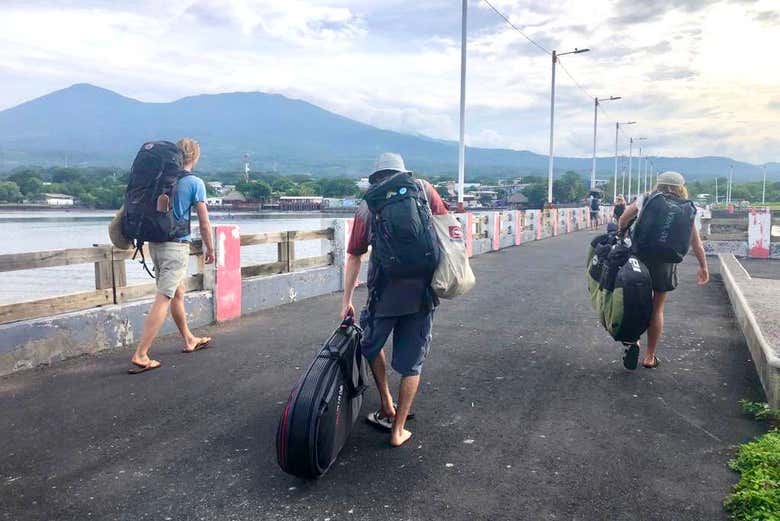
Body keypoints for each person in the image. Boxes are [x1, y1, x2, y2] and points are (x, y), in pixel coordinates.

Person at [340, 152, 447, 447]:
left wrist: (346, 299)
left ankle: (386, 403)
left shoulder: (368, 204)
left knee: (371, 344)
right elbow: (449, 233)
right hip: (423, 293)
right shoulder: (424, 190)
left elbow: (354, 256)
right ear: (403, 172)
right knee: (412, 363)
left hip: (383, 293)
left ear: (375, 177)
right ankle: (398, 430)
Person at [129, 138, 215, 374]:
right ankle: (141, 354)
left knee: (177, 292)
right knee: (164, 297)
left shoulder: (159, 179)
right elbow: (204, 223)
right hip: (175, 246)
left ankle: (189, 339)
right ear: (195, 157)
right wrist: (210, 248)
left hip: (155, 244)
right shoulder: (194, 182)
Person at [618, 171, 709, 369]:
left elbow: (624, 218)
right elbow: (696, 243)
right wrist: (703, 266)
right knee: (657, 308)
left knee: (634, 302)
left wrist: (620, 233)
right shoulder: (688, 208)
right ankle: (650, 357)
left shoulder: (646, 199)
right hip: (666, 263)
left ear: (658, 185)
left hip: (639, 258)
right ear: (681, 187)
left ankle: (633, 341)